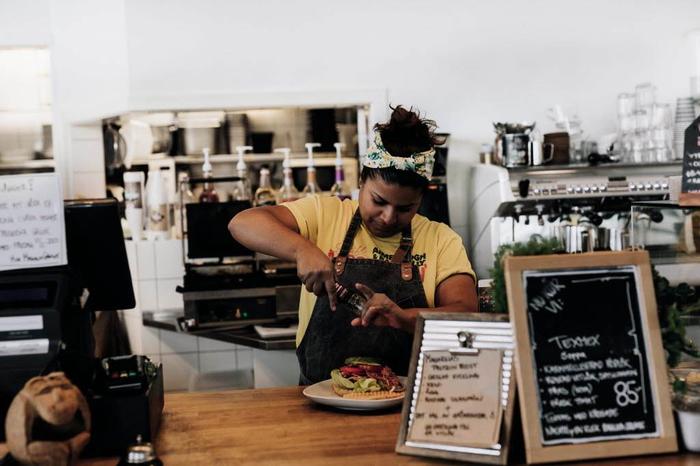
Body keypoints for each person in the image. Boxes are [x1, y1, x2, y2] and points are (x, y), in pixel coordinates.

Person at [229, 106, 477, 384]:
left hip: (404, 400)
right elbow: (242, 223)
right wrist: (302, 250)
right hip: (319, 397)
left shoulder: (441, 239)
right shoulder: (326, 215)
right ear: (361, 181)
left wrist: (404, 318)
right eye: (379, 201)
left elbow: (466, 312)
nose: (388, 217)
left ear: (421, 199)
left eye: (405, 208)